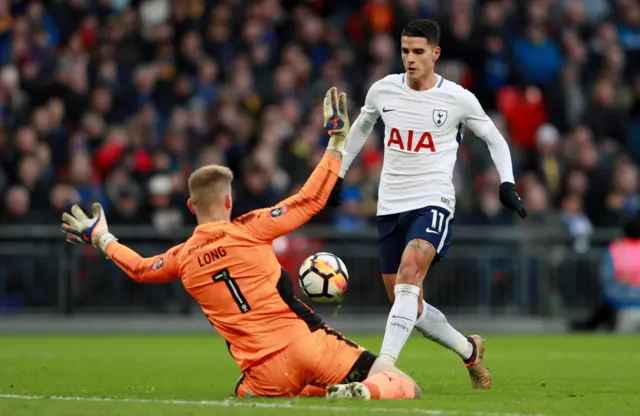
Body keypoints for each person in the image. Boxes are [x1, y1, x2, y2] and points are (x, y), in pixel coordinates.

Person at [60, 88, 420, 401]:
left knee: (246, 390)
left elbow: (139, 268)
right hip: (305, 345)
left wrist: (101, 238)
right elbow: (310, 199)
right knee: (403, 385)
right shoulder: (250, 229)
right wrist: (335, 144)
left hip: (263, 373)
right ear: (229, 203)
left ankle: (310, 389)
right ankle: (363, 390)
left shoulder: (182, 257)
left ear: (190, 207)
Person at [327, 19, 528, 389]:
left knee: (408, 276)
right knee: (407, 302)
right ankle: (469, 350)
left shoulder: (457, 98)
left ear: (435, 54)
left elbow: (495, 138)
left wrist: (507, 183)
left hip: (433, 200)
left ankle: (384, 366)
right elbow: (360, 127)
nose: (410, 58)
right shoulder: (383, 90)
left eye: (418, 51)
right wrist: (338, 172)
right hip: (389, 206)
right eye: (405, 51)